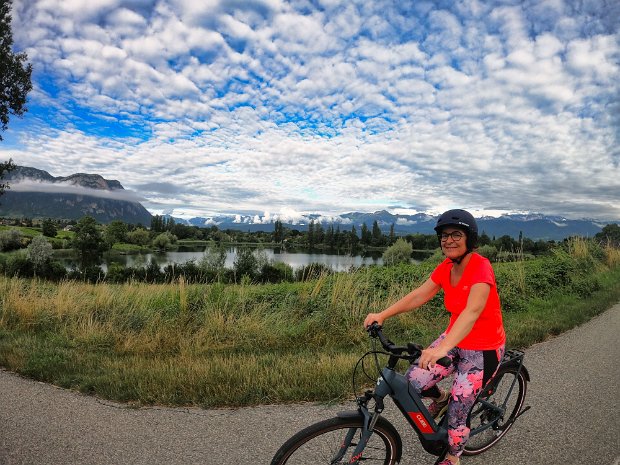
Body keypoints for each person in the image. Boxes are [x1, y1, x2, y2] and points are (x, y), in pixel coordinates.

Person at [364, 209, 506, 465]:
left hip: (483, 349)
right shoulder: (446, 267)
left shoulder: (481, 268)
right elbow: (420, 294)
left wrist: (442, 349)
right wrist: (383, 314)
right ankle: (440, 397)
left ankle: (453, 457)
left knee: (457, 413)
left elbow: (472, 312)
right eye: (444, 235)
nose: (448, 240)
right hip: (454, 339)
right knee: (413, 380)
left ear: (469, 239)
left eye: (455, 235)